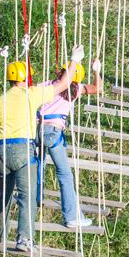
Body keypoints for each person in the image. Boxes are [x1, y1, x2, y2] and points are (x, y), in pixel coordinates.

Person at [0, 45, 84, 252]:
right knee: (27, 196)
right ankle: (24, 239)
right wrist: (74, 60)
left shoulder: (1, 99)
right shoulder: (31, 95)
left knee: (2, 194)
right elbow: (64, 84)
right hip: (23, 148)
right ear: (26, 78)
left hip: (2, 150)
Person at [37, 57, 103, 228]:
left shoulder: (46, 85)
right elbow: (98, 88)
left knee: (38, 166)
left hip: (36, 130)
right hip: (53, 132)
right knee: (64, 174)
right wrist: (96, 70)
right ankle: (72, 216)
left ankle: (35, 197)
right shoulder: (74, 90)